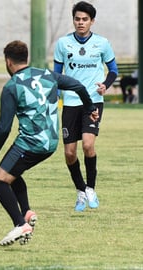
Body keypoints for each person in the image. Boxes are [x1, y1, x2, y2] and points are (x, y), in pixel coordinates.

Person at [0, 40, 99, 246]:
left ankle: (20, 224)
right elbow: (79, 86)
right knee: (12, 172)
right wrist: (90, 107)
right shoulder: (47, 75)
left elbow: (4, 128)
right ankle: (27, 212)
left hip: (31, 143)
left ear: (8, 61)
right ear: (25, 58)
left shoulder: (12, 86)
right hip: (51, 142)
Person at [54, 1, 118, 212]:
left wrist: (105, 85)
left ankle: (91, 188)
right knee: (69, 153)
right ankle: (80, 190)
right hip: (70, 103)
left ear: (92, 21)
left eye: (85, 19)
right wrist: (54, 98)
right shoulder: (63, 44)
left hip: (92, 101)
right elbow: (57, 74)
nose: (81, 23)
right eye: (77, 19)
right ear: (73, 20)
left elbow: (113, 70)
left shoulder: (102, 43)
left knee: (88, 145)